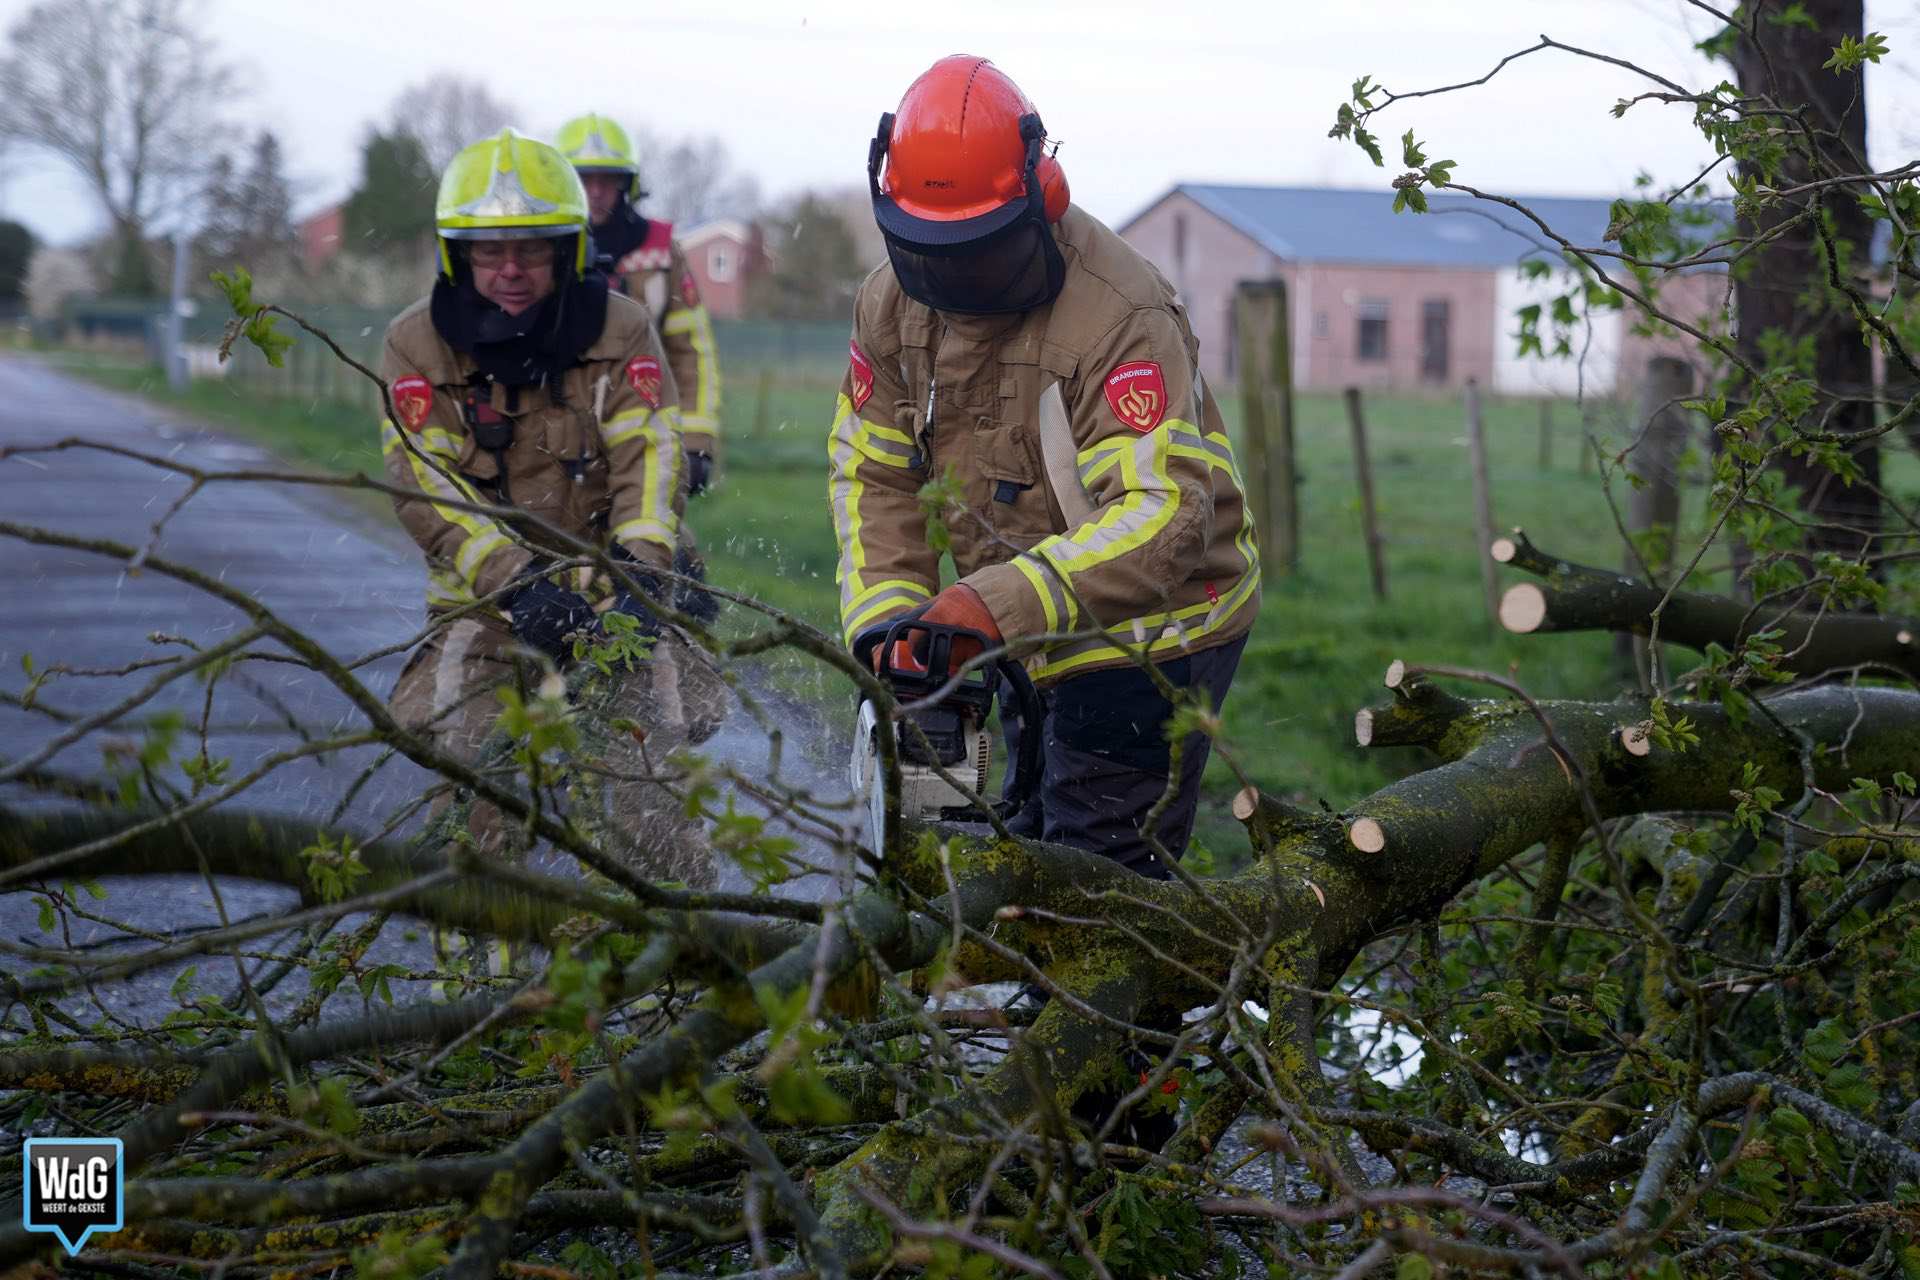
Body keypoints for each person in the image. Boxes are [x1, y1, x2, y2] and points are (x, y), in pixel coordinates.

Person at [830, 56, 1262, 882]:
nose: (952, 279)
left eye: (977, 254)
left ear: (1042, 200)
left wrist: (987, 611)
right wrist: (896, 628)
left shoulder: (1119, 313)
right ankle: (973, 994)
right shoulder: (887, 304)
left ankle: (1106, 1005)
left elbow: (1165, 514)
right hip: (1014, 616)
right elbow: (872, 474)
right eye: (931, 252)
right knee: (990, 841)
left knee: (1092, 874)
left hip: (1154, 627)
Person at [380, 128, 719, 886]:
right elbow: (426, 488)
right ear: (455, 254)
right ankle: (477, 989)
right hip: (483, 614)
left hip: (613, 604)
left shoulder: (622, 328)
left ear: (567, 250)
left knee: (646, 804)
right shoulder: (415, 345)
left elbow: (652, 457)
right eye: (489, 250)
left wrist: (642, 577)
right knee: (477, 789)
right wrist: (518, 583)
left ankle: (683, 976)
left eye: (531, 249)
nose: (509, 270)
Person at [556, 112, 722, 496]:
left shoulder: (661, 251)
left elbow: (692, 352)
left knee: (655, 547)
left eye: (607, 179)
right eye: (583, 179)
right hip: (556, 440)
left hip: (648, 430)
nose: (595, 191)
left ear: (626, 184)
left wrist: (697, 442)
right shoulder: (542, 254)